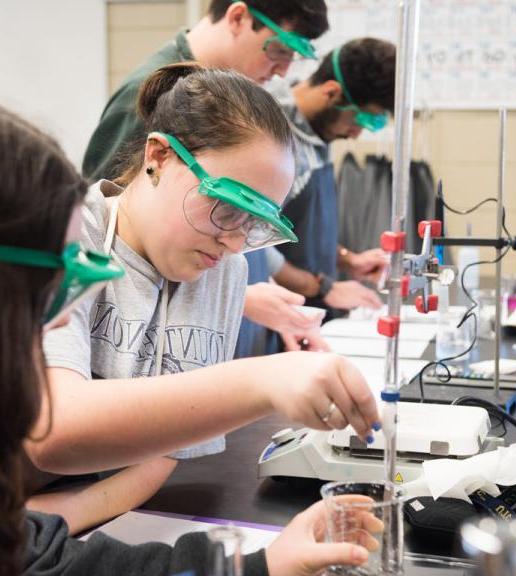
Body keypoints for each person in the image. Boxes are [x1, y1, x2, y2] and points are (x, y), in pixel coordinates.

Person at [0, 91, 378, 576]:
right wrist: (260, 382)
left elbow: (32, 562)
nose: (62, 322)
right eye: (59, 287)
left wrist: (258, 572)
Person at [29, 63, 380, 533]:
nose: (235, 244)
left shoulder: (222, 270)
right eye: (226, 209)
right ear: (158, 157)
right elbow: (56, 430)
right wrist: (261, 381)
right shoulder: (71, 237)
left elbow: (166, 454)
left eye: (253, 225)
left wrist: (60, 521)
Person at [83, 0, 332, 356]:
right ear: (238, 17)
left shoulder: (227, 270)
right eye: (279, 49)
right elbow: (115, 240)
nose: (282, 70)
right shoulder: (144, 101)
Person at [239, 38, 397, 354]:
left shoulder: (318, 133)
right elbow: (253, 244)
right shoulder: (270, 134)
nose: (357, 134)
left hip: (309, 314)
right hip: (274, 322)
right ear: (331, 93)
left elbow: (295, 229)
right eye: (363, 119)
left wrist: (346, 259)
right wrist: (325, 287)